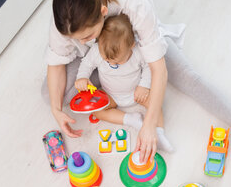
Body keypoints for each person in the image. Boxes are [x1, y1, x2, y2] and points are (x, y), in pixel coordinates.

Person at [41, 0, 231, 162]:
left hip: (131, 39)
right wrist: (55, 109)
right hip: (105, 60)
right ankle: (114, 78)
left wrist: (150, 124)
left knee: (186, 76)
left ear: (104, 12)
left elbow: (158, 70)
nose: (82, 43)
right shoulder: (65, 19)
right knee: (52, 93)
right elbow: (56, 65)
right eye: (76, 39)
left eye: (87, 36)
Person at [74, 13, 174, 152]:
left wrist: (143, 86)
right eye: (107, 60)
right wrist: (82, 78)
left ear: (131, 45)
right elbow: (86, 64)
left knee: (155, 104)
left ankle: (159, 133)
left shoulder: (138, 51)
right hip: (111, 95)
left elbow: (149, 68)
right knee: (97, 111)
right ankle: (131, 119)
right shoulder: (97, 50)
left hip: (136, 93)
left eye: (118, 61)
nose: (112, 63)